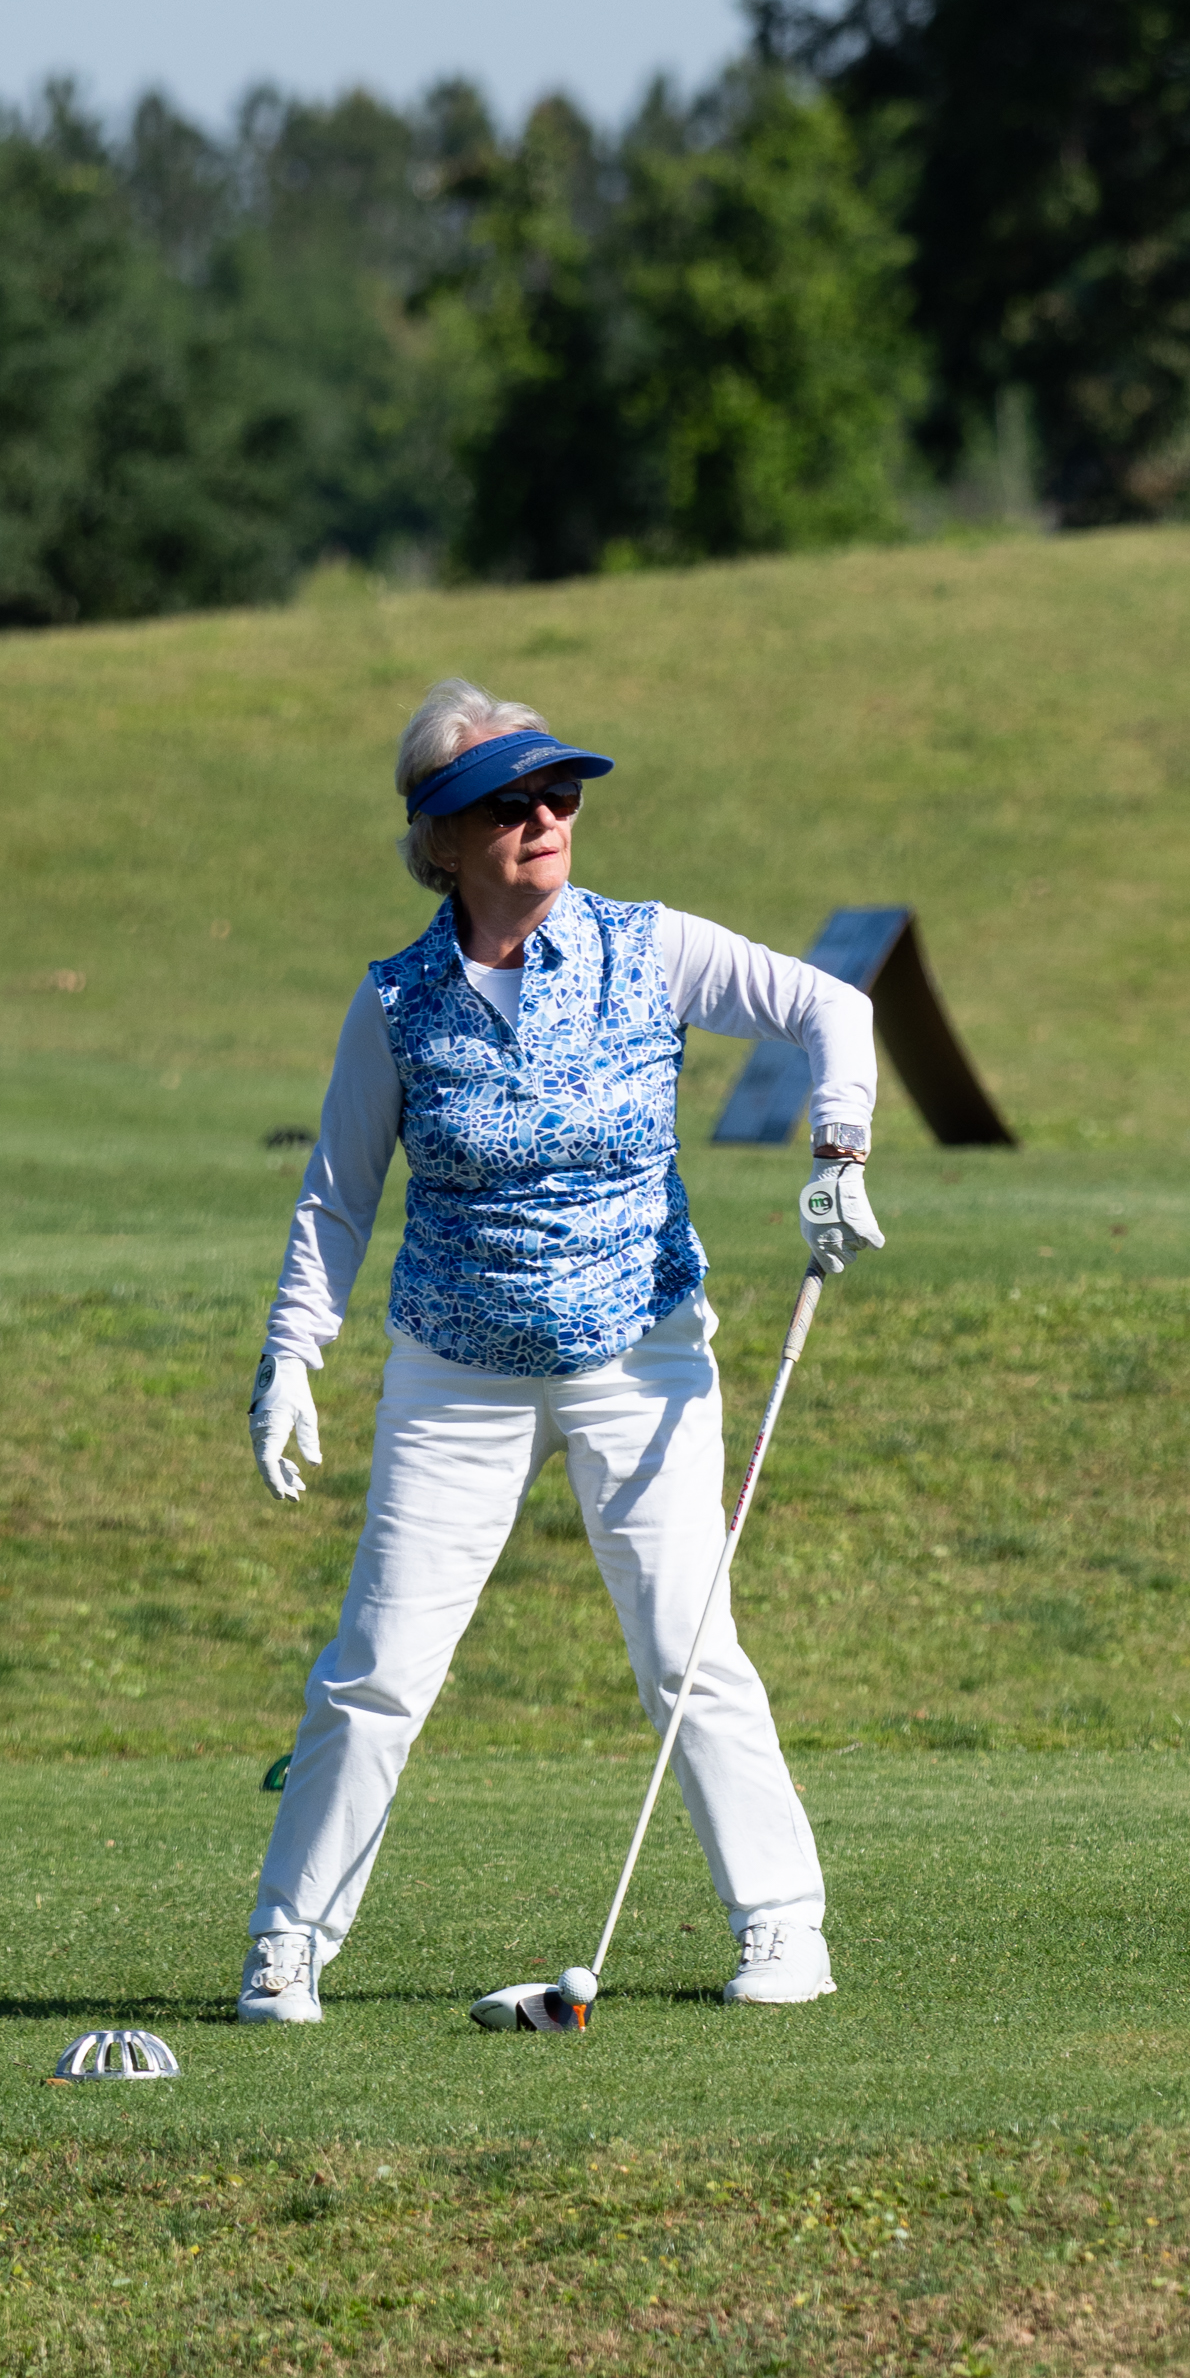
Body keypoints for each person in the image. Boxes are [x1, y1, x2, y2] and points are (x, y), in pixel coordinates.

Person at [238, 677, 884, 2023]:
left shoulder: (651, 946)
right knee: (376, 1672)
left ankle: (784, 1927)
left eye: (560, 794)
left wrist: (838, 1152)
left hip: (640, 1358)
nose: (543, 820)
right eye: (507, 804)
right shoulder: (397, 1002)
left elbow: (836, 1008)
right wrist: (293, 1350)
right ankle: (289, 1941)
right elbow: (338, 1196)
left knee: (689, 1650)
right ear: (442, 839)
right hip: (452, 1375)